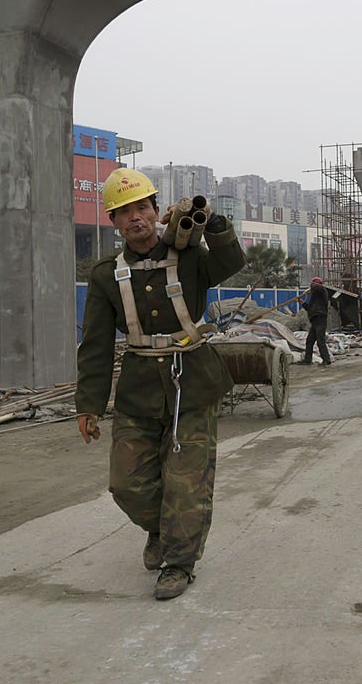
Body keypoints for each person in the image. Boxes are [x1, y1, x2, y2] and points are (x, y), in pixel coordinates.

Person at [75, 168, 245, 601]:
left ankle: (178, 563)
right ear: (114, 222)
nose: (136, 218)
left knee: (186, 482)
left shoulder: (190, 258)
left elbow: (231, 262)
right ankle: (159, 528)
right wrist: (88, 404)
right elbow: (94, 344)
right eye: (124, 212)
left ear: (156, 210)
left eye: (142, 208)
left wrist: (216, 223)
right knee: (126, 483)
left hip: (194, 381)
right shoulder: (104, 275)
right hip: (139, 388)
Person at [297, 276, 333, 366]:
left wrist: (310, 288)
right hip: (315, 320)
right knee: (309, 341)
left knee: (320, 340)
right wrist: (302, 302)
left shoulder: (322, 291)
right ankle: (307, 359)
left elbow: (318, 287)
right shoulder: (315, 296)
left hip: (320, 318)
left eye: (312, 284)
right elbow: (309, 308)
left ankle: (326, 360)